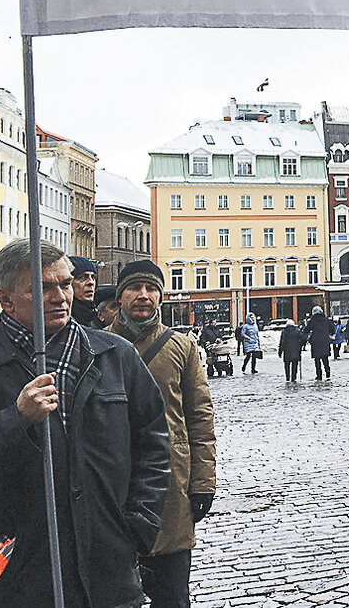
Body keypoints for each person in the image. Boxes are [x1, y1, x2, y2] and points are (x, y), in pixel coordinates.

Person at [0, 239, 171, 608]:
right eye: (43, 288)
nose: (60, 296)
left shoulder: (114, 355)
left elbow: (154, 445)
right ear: (6, 299)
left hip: (107, 568)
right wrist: (16, 420)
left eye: (65, 284)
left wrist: (136, 528)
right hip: (18, 575)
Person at [105, 260, 217, 608]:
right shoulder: (97, 346)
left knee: (171, 596)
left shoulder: (181, 347)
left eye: (151, 289)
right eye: (134, 288)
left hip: (170, 487)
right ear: (120, 296)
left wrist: (203, 482)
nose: (143, 296)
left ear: (161, 297)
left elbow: (199, 418)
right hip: (111, 486)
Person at [67, 256, 100, 326]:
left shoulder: (97, 319)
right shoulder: (63, 319)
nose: (91, 282)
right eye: (83, 277)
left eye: (93, 277)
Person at [305, 307, 334, 381]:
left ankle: (319, 375)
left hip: (316, 342)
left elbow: (306, 330)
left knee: (317, 360)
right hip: (325, 341)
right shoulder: (326, 320)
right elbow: (332, 329)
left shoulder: (312, 321)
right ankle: (327, 372)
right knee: (325, 358)